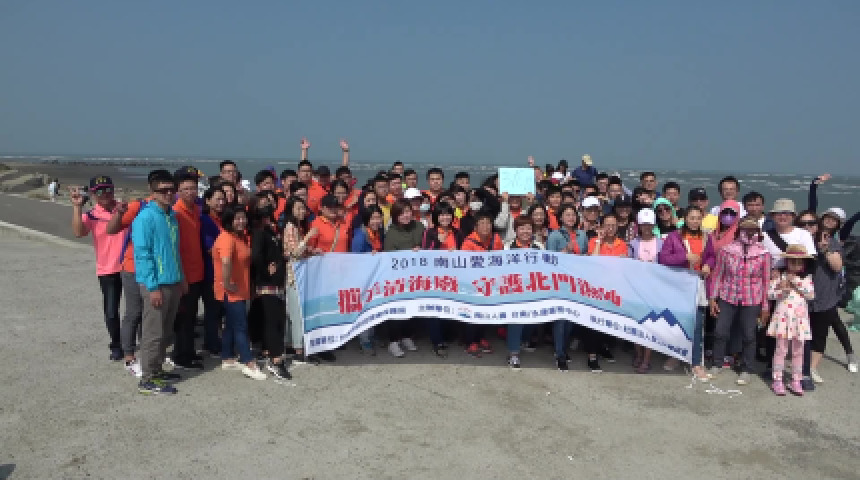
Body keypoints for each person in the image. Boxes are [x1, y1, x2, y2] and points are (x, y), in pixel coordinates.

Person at [132, 170, 185, 395]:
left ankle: (157, 369)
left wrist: (181, 278)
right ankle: (147, 379)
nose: (168, 194)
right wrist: (152, 287)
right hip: (155, 284)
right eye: (163, 190)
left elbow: (175, 251)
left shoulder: (171, 216)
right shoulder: (145, 218)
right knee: (153, 333)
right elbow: (142, 255)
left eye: (171, 190)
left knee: (165, 331)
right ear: (152, 192)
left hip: (172, 281)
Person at [708, 217, 771, 386]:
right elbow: (718, 275)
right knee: (720, 331)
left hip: (752, 298)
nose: (749, 233)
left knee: (749, 335)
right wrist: (713, 298)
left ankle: (746, 369)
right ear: (739, 231)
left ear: (757, 232)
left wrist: (765, 306)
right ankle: (717, 363)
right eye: (745, 229)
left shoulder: (763, 253)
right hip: (727, 296)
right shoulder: (726, 250)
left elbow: (766, 281)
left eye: (752, 230)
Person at [71, 175, 126, 361]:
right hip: (107, 269)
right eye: (100, 191)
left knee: (138, 308)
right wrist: (77, 207)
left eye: (108, 189)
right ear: (93, 194)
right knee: (111, 311)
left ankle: (136, 341)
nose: (105, 194)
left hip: (130, 267)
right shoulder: (92, 215)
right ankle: (116, 345)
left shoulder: (124, 209)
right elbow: (78, 232)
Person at [657, 206, 715, 381]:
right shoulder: (674, 237)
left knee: (697, 325)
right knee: (677, 323)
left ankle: (696, 362)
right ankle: (676, 355)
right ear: (685, 219)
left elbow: (711, 256)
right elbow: (663, 258)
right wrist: (684, 257)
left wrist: (708, 265)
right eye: (692, 218)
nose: (695, 221)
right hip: (679, 285)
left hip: (698, 284)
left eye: (698, 218)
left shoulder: (706, 237)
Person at [213, 205, 267, 380]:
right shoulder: (226, 238)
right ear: (229, 220)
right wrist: (227, 283)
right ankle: (248, 362)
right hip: (231, 291)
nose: (241, 221)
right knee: (241, 326)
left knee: (231, 324)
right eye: (237, 218)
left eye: (243, 217)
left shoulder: (238, 237)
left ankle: (227, 357)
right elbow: (226, 261)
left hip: (240, 288)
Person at [249, 194, 291, 380]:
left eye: (269, 207)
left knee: (273, 319)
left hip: (276, 282)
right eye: (263, 208)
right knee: (272, 320)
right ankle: (276, 360)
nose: (267, 211)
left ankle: (268, 351)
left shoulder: (271, 230)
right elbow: (256, 256)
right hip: (267, 284)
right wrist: (266, 271)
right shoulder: (259, 232)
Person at [808, 224, 857, 381]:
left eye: (833, 220)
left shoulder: (835, 240)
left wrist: (825, 249)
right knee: (832, 322)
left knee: (833, 324)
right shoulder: (808, 237)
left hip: (828, 292)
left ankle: (850, 354)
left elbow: (837, 267)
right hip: (812, 292)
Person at [766, 245, 815, 396]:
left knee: (798, 351)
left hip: (799, 321)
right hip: (783, 318)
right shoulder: (779, 277)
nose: (795, 265)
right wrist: (781, 291)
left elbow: (811, 295)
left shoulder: (806, 279)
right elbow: (770, 294)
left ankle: (796, 379)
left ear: (803, 264)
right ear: (787, 262)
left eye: (799, 262)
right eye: (792, 261)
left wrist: (796, 282)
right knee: (781, 349)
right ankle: (777, 379)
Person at [169, 167, 205, 370]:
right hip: (184, 275)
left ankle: (189, 352)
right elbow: (175, 249)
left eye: (193, 188)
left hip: (197, 272)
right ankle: (180, 356)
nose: (191, 192)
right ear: (178, 191)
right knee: (183, 318)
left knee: (191, 316)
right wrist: (181, 277)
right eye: (186, 189)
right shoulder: (176, 213)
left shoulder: (196, 210)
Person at [546, 204, 588, 371]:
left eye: (573, 214)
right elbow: (548, 260)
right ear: (561, 218)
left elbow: (586, 256)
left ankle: (562, 348)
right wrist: (564, 251)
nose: (571, 217)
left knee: (570, 320)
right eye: (567, 214)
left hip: (576, 283)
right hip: (559, 283)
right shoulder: (555, 235)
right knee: (560, 320)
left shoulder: (582, 235)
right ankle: (559, 354)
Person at [382, 199, 425, 357]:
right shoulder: (391, 233)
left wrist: (421, 249)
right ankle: (393, 341)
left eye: (407, 211)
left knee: (411, 309)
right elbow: (389, 258)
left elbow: (428, 245)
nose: (406, 215)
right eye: (401, 213)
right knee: (396, 311)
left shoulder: (419, 226)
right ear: (395, 215)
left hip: (416, 277)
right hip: (398, 279)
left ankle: (407, 337)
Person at [420, 203, 463, 357]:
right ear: (436, 217)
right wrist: (438, 242)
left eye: (448, 214)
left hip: (453, 277)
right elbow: (426, 253)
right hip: (434, 278)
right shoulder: (429, 232)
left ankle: (447, 335)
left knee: (449, 307)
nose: (445, 217)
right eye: (442, 214)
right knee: (435, 310)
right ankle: (437, 342)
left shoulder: (457, 232)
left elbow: (464, 252)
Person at [503, 216, 544, 370]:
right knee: (516, 320)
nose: (525, 231)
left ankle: (523, 340)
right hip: (514, 290)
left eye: (528, 228)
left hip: (533, 289)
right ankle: (513, 353)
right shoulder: (508, 247)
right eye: (522, 228)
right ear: (516, 230)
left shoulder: (539, 246)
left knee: (532, 319)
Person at [461, 214, 503, 357]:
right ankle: (470, 342)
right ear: (476, 227)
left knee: (484, 311)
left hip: (489, 282)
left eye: (488, 223)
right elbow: (465, 265)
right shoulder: (468, 242)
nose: (486, 226)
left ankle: (480, 337)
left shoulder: (496, 239)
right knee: (472, 312)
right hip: (472, 284)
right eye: (482, 223)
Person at [282, 197, 318, 360]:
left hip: (296, 275)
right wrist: (308, 237)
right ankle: (298, 349)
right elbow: (295, 252)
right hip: (294, 276)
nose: (302, 211)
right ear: (291, 210)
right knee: (297, 313)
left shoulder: (295, 227)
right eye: (298, 208)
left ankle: (292, 344)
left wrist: (311, 251)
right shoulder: (291, 227)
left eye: (303, 208)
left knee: (294, 312)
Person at [629, 209, 661, 374]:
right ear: (639, 226)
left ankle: (647, 359)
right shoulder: (633, 243)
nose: (646, 227)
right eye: (643, 224)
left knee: (650, 325)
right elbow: (628, 264)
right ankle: (638, 354)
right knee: (636, 323)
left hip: (654, 290)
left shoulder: (661, 243)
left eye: (649, 224)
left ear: (654, 225)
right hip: (637, 289)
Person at [351, 205, 385, 354]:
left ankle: (371, 336)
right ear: (366, 220)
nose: (376, 221)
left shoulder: (378, 233)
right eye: (373, 218)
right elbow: (356, 259)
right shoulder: (360, 236)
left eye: (378, 217)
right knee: (365, 308)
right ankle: (364, 341)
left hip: (375, 277)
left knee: (374, 306)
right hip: (363, 278)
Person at [200, 185, 226, 357]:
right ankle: (211, 344)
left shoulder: (223, 219)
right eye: (217, 199)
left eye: (223, 199)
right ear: (208, 201)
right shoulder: (205, 220)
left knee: (220, 309)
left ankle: (216, 341)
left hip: (224, 270)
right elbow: (209, 248)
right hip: (211, 271)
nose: (221, 202)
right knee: (212, 309)